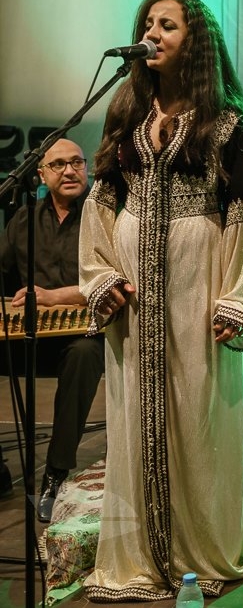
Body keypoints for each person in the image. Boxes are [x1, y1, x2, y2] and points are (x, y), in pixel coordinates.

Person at [78, 0, 243, 601]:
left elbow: (242, 214)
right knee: (135, 415)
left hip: (198, 282)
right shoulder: (126, 109)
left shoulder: (226, 122)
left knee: (200, 413)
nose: (153, 33)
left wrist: (237, 299)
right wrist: (101, 277)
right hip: (135, 292)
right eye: (147, 24)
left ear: (196, 41)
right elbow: (102, 199)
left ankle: (200, 550)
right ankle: (139, 556)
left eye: (167, 25)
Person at [0, 138, 104, 523]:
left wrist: (54, 296)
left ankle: (56, 474)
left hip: (83, 334)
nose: (70, 171)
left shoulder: (103, 215)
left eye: (77, 162)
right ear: (41, 175)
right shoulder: (24, 220)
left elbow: (120, 277)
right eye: (58, 164)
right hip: (32, 336)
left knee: (84, 355)